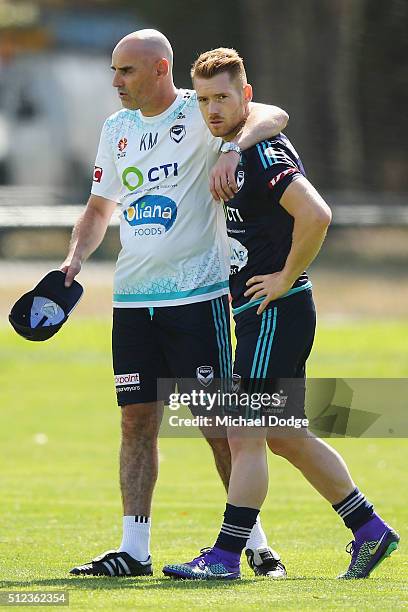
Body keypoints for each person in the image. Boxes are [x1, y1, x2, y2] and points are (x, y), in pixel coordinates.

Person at [162, 48, 400, 580]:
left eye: (222, 97)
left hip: (276, 310)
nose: (212, 109)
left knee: (243, 434)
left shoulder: (262, 154)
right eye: (203, 100)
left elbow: (316, 214)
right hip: (262, 312)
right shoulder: (234, 142)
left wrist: (286, 278)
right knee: (286, 435)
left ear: (244, 95)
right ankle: (370, 530)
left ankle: (224, 557)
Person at [63, 30, 289, 578]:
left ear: (160, 68)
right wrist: (72, 261)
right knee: (136, 422)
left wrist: (233, 149)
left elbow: (276, 114)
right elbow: (98, 209)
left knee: (217, 422)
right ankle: (134, 550)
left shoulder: (202, 111)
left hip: (198, 298)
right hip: (132, 302)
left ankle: (252, 544)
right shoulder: (116, 129)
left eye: (126, 71)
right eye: (115, 71)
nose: (115, 81)